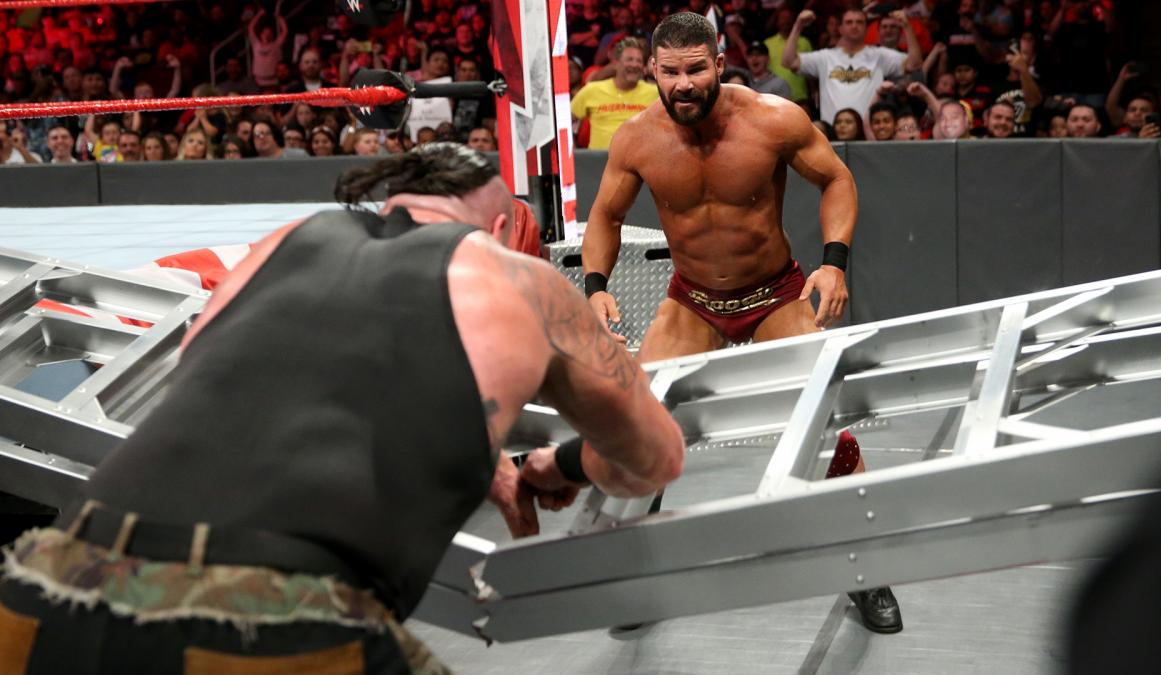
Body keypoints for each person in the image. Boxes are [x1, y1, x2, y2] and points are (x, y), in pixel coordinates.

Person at [0, 144, 684, 673]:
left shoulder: (283, 244)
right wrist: (560, 463)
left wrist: (470, 451)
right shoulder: (521, 279)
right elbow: (655, 455)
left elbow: (209, 379)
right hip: (274, 611)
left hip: (53, 578)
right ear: (502, 227)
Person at [581, 12, 902, 634]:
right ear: (653, 72)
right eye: (670, 72)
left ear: (719, 65)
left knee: (827, 423)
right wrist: (595, 288)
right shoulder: (637, 139)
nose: (683, 84)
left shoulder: (773, 118)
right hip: (692, 300)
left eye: (695, 69)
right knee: (642, 427)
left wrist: (834, 263)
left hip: (775, 293)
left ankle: (867, 573)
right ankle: (639, 582)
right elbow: (605, 216)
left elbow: (836, 179)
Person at [784, 8, 923, 124]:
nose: (854, 25)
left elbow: (914, 64)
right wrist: (798, 25)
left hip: (868, 131)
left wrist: (906, 26)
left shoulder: (879, 55)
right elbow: (789, 62)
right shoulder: (825, 57)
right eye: (849, 22)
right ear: (840, 29)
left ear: (866, 28)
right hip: (832, 132)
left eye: (859, 22)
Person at [570, 37, 658, 150]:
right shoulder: (592, 90)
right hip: (600, 159)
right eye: (630, 59)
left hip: (640, 159)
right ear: (616, 63)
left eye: (639, 61)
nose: (635, 64)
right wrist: (571, 151)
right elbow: (563, 122)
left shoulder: (655, 93)